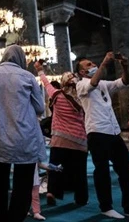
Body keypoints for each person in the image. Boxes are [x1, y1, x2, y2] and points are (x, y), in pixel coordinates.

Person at [75, 52, 129, 220]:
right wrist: (103, 63)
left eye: (92, 63)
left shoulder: (103, 84)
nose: (92, 65)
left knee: (126, 171)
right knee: (102, 171)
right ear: (81, 72)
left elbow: (124, 82)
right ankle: (106, 207)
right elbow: (93, 82)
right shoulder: (81, 85)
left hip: (113, 131)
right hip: (97, 132)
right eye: (88, 65)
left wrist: (124, 66)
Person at [0, 45, 45, 222]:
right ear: (21, 58)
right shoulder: (28, 76)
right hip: (25, 138)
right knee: (23, 186)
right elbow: (40, 108)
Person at [33, 62, 89, 207]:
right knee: (79, 171)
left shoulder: (56, 94)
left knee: (54, 167)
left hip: (60, 138)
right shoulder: (82, 97)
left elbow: (46, 84)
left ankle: (52, 191)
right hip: (79, 140)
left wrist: (40, 70)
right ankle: (81, 198)